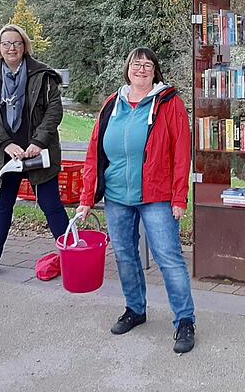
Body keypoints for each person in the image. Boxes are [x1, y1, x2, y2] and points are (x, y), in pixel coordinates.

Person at [76, 47, 196, 354]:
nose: (141, 69)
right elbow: (94, 154)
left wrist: (179, 196)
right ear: (127, 69)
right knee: (125, 256)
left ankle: (184, 320)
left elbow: (182, 153)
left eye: (147, 65)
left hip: (156, 195)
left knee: (169, 259)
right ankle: (135, 309)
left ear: (155, 71)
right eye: (135, 64)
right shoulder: (111, 105)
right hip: (117, 195)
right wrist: (86, 198)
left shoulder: (170, 103)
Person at [0, 24, 69, 280]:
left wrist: (38, 142)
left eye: (16, 43)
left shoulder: (42, 75)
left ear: (25, 46)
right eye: (6, 43)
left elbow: (54, 111)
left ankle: (71, 255)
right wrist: (5, 143)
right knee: (2, 206)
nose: (11, 48)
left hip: (37, 151)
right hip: (5, 154)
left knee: (51, 204)